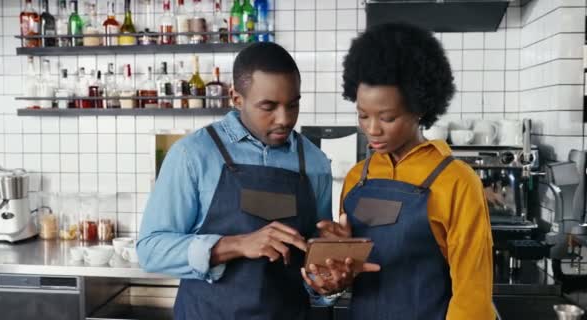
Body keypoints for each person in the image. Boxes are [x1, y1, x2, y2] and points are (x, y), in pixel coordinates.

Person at [309, 23, 495, 319]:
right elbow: (351, 275)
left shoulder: (456, 180)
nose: (372, 129)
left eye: (387, 117)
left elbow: (473, 294)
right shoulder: (359, 177)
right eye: (362, 115)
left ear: (419, 108)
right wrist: (337, 264)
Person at [136, 42, 333, 320]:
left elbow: (315, 260)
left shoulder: (314, 162)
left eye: (293, 105)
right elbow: (150, 250)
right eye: (268, 106)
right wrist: (237, 244)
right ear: (236, 98)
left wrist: (328, 277)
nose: (284, 119)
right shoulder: (193, 154)